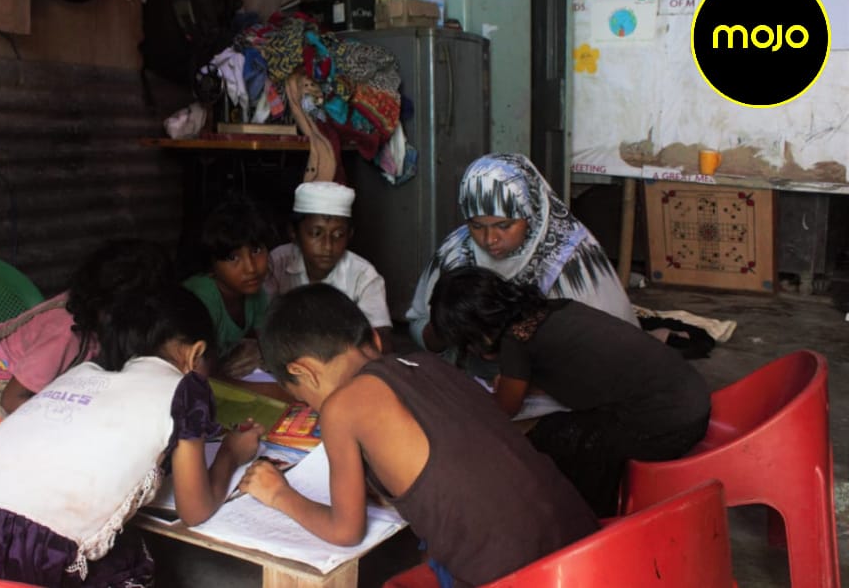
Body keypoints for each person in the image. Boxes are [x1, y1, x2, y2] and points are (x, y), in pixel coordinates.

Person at [0, 287, 264, 585]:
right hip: (16, 560)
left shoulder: (83, 374)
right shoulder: (186, 389)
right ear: (194, 354)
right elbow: (195, 510)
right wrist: (231, 454)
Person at [239, 284, 598, 587]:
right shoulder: (431, 364)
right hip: (592, 551)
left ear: (304, 371)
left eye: (306, 400)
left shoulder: (341, 407)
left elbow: (345, 531)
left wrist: (279, 493)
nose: (316, 409)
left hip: (516, 578)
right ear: (375, 342)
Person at [429, 266, 711, 517]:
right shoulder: (551, 308)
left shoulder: (516, 341)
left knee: (553, 441)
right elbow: (568, 368)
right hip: (693, 401)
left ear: (478, 333)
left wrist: (465, 402)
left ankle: (589, 521)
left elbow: (504, 409)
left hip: (668, 426)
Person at [0, 240, 173, 455]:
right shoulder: (65, 335)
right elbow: (12, 399)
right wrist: (61, 429)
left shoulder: (98, 318)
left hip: (45, 389)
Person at [407, 153, 637, 353]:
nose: (489, 240)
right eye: (476, 226)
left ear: (531, 213)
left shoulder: (571, 258)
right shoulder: (455, 251)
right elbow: (419, 324)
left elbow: (608, 347)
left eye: (504, 225)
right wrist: (443, 330)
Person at [265, 182, 393, 352]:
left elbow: (382, 340)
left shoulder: (364, 275)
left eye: (338, 235)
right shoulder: (277, 263)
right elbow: (261, 322)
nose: (327, 246)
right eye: (316, 234)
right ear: (293, 232)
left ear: (350, 235)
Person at [182, 195, 274, 379]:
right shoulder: (202, 297)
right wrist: (222, 368)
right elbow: (188, 370)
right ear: (210, 266)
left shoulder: (257, 295)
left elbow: (267, 343)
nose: (251, 268)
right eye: (233, 258)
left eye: (256, 251)